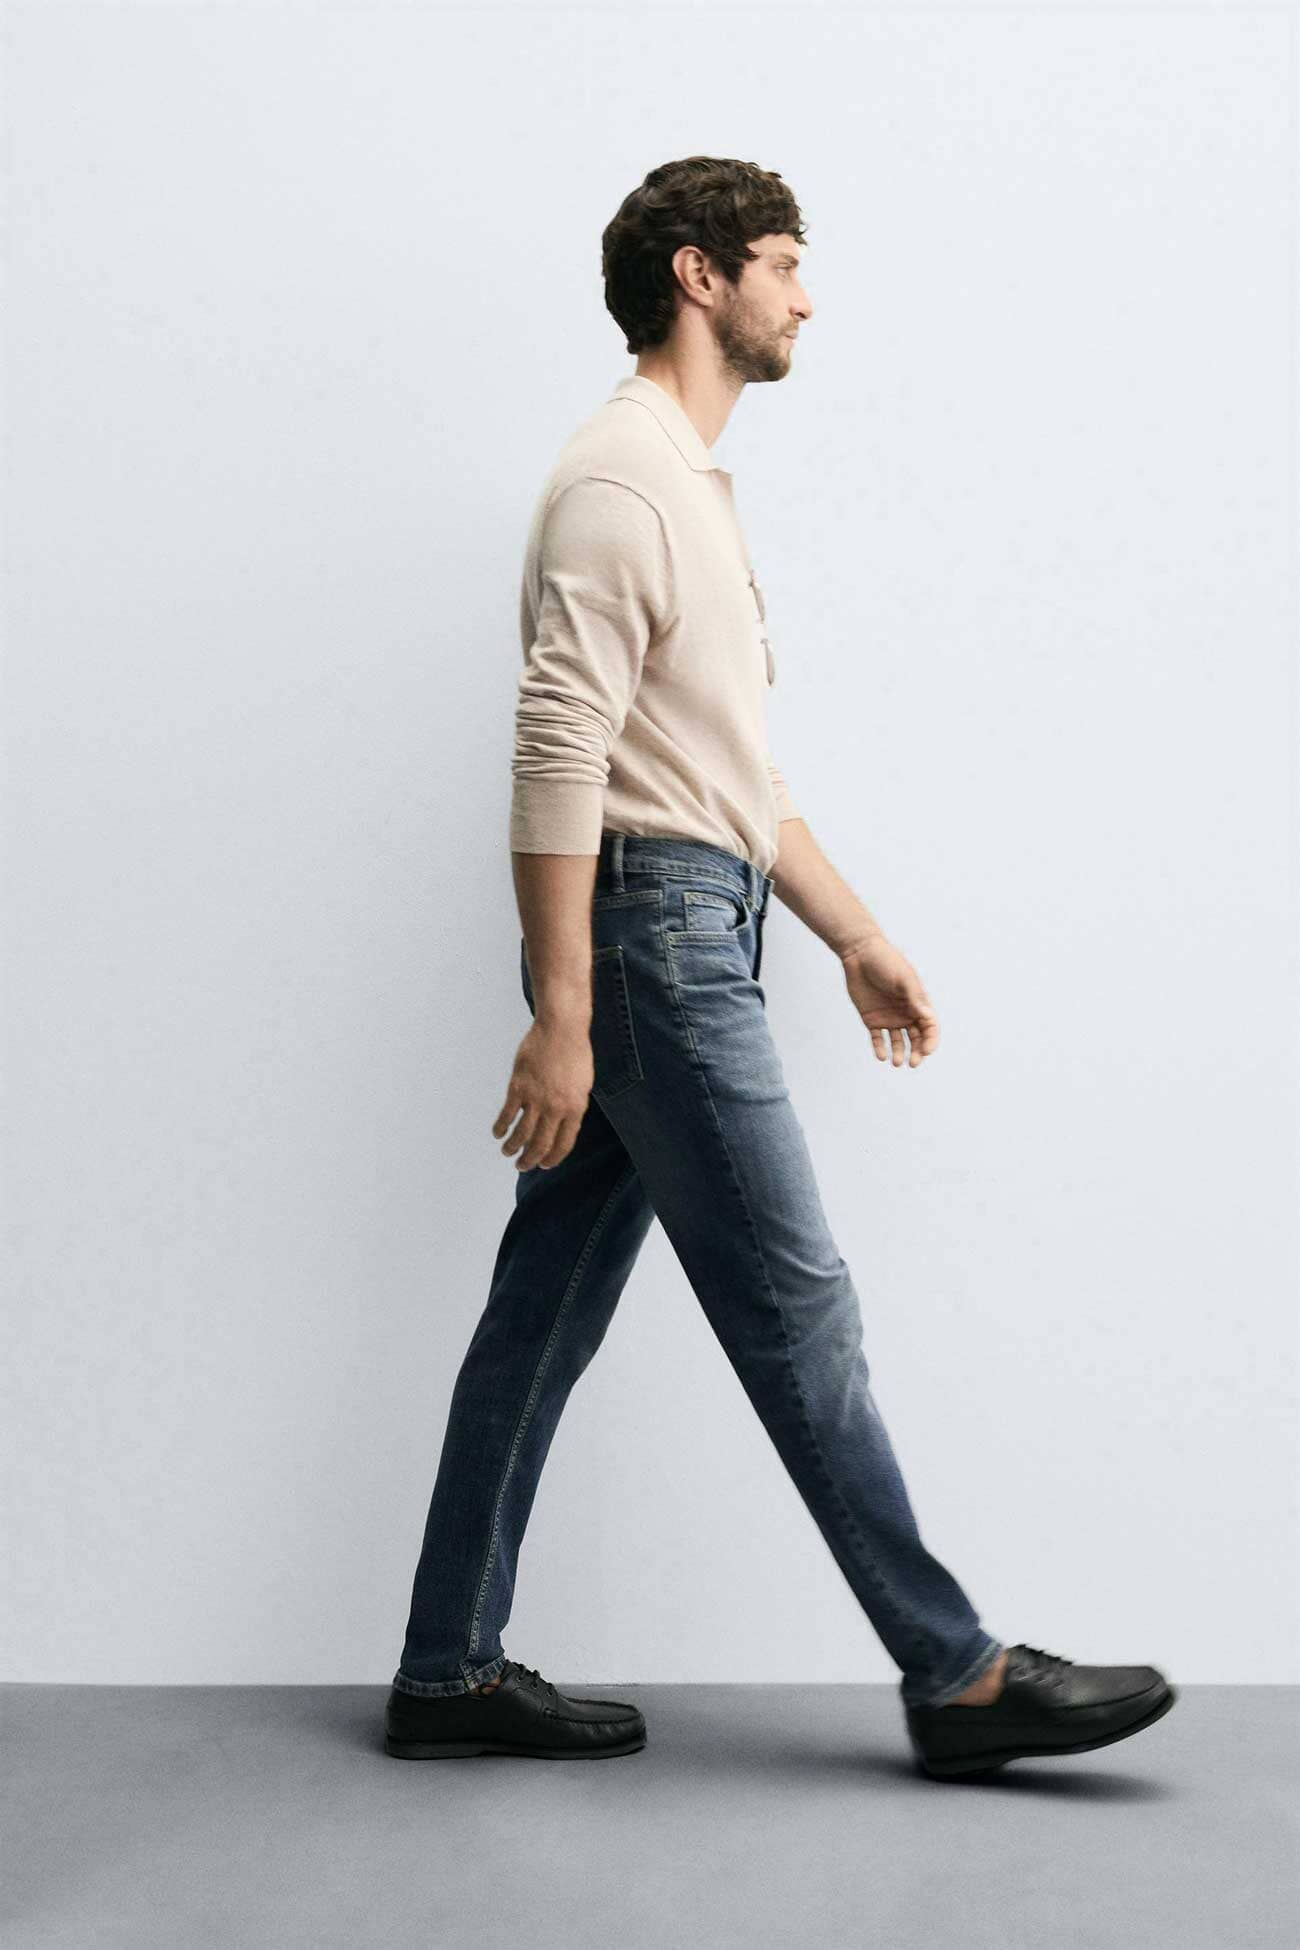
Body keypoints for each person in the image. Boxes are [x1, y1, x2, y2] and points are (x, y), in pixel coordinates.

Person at [384, 157, 1176, 1778]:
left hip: (685, 924)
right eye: (786, 264)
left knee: (538, 1316)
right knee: (798, 1302)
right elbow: (560, 749)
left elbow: (733, 780)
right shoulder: (623, 480)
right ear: (702, 275)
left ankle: (446, 1670)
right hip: (653, 946)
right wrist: (564, 1009)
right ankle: (956, 1672)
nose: (808, 298)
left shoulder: (684, 486)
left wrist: (856, 934)